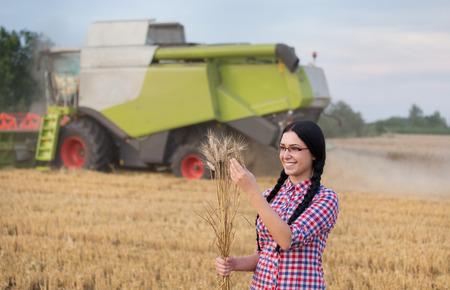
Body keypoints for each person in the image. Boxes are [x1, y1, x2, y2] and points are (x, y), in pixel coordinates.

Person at [215, 120, 339, 289]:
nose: (286, 155)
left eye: (295, 148)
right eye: (282, 147)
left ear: (314, 153)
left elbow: (287, 240)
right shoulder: (270, 196)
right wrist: (234, 264)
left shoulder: (325, 199)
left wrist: (252, 191)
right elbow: (267, 253)